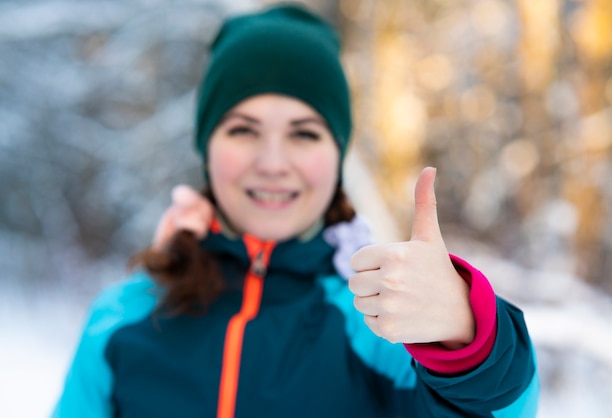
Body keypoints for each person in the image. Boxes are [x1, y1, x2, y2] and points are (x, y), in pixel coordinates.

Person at [53, 4, 539, 417]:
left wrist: (466, 337)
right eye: (242, 129)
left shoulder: (382, 324)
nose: (271, 163)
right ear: (207, 148)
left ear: (338, 155)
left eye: (304, 133)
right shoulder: (124, 318)